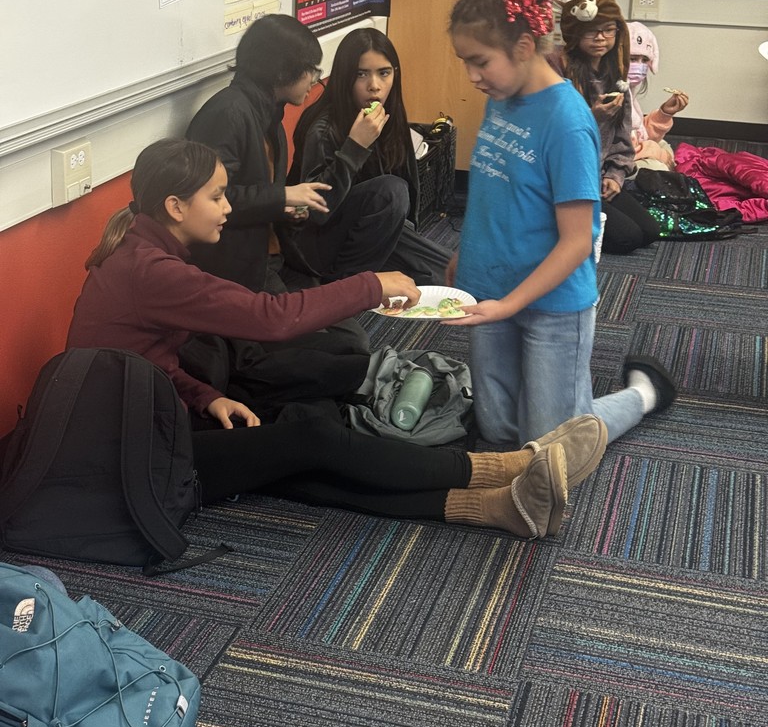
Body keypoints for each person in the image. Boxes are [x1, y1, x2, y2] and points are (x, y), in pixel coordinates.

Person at [65, 137, 609, 540]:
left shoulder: (145, 254)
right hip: (131, 460)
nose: (230, 207)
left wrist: (207, 396)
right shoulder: (151, 269)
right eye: (218, 196)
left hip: (144, 427)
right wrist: (370, 285)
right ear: (176, 208)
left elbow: (147, 360)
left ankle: (499, 508)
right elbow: (270, 317)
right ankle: (502, 468)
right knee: (309, 441)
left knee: (297, 453)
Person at [444, 0, 677, 447]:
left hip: (551, 305)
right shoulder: (503, 96)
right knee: (498, 429)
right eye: (465, 61)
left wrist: (511, 303)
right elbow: (493, 192)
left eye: (480, 61)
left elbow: (576, 241)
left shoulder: (567, 121)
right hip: (490, 287)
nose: (472, 76)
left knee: (554, 445)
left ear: (525, 47)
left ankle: (644, 394)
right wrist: (464, 258)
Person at [185, 13, 369, 407]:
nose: (315, 81)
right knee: (344, 352)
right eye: (309, 71)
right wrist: (282, 198)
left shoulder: (268, 113)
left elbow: (264, 194)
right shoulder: (228, 113)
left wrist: (286, 207)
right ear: (282, 71)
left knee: (352, 341)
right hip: (241, 274)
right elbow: (207, 203)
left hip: (273, 260)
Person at [288, 27, 451, 284]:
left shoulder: (389, 115)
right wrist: (355, 146)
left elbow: (408, 187)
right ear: (344, 77)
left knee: (453, 273)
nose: (374, 86)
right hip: (316, 246)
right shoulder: (322, 128)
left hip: (371, 232)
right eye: (361, 74)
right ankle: (348, 287)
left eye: (384, 73)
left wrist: (409, 237)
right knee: (391, 191)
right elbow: (315, 211)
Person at [552, 0, 661, 255]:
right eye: (592, 31)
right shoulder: (558, 68)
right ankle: (551, 222)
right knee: (628, 239)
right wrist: (593, 117)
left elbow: (622, 138)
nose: (601, 38)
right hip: (566, 181)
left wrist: (614, 175)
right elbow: (552, 135)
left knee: (650, 231)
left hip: (597, 175)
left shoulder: (615, 72)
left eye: (609, 30)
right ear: (574, 32)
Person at [627, 20, 689, 171]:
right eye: (633, 59)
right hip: (614, 164)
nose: (640, 66)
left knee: (664, 145)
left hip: (633, 148)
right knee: (658, 167)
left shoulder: (630, 94)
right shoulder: (613, 93)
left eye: (645, 60)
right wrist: (657, 154)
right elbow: (620, 146)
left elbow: (639, 132)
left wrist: (665, 113)